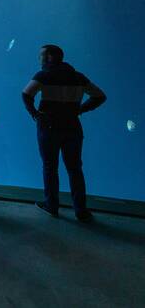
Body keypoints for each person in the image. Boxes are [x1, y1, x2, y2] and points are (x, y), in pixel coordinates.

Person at [22, 44, 106, 223]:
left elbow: (26, 94)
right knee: (75, 169)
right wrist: (80, 109)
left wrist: (35, 114)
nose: (40, 59)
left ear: (50, 57)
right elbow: (100, 96)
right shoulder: (78, 77)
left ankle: (51, 205)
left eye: (42, 56)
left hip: (49, 127)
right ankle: (80, 210)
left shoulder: (43, 75)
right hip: (73, 128)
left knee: (50, 167)